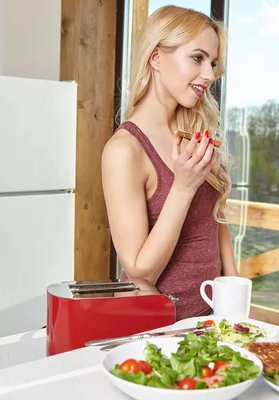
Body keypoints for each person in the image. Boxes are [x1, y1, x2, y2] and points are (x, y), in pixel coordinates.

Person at [101, 5, 237, 321]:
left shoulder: (193, 132)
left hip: (211, 321)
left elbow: (217, 225)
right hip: (155, 327)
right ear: (156, 57)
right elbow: (140, 271)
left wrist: (236, 308)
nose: (209, 74)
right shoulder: (125, 150)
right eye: (197, 58)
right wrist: (183, 186)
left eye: (213, 63)